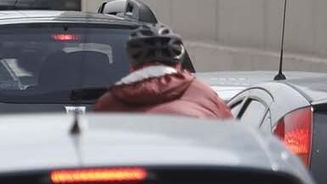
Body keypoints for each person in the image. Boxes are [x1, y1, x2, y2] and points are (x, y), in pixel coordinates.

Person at [94, 24, 232, 119]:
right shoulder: (205, 95)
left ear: (132, 63)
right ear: (179, 60)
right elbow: (231, 139)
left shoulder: (109, 103)